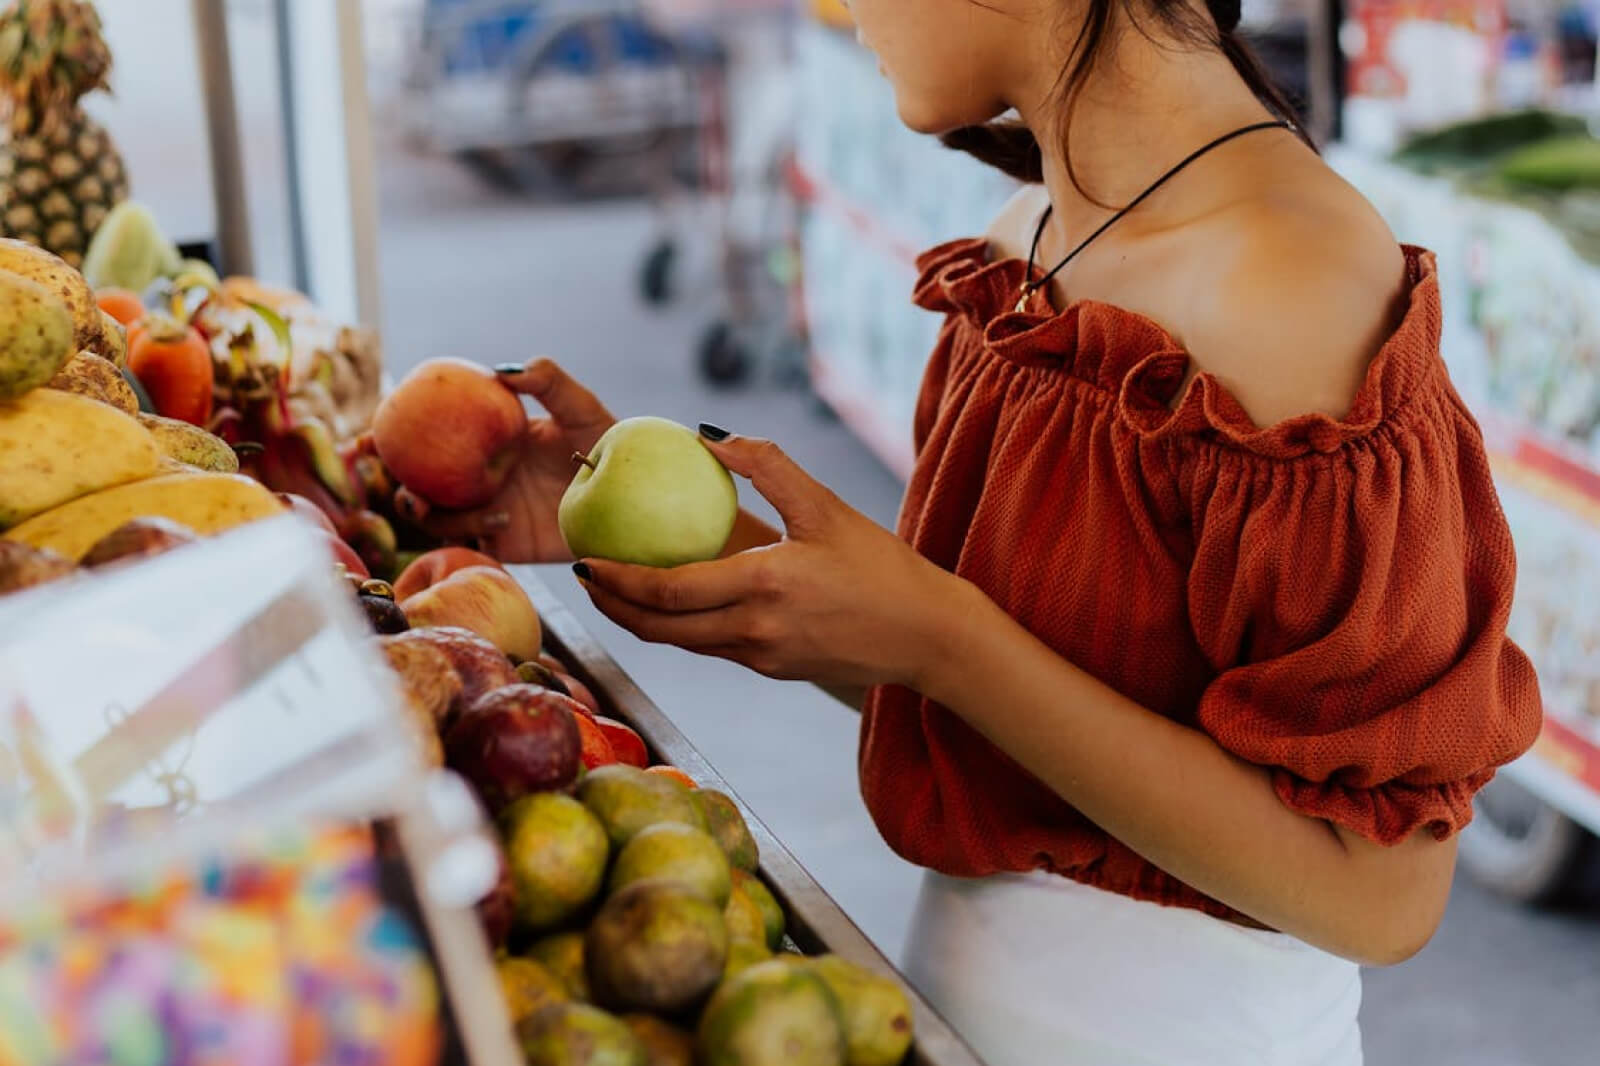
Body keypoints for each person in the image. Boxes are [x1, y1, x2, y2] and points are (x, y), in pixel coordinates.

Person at [418, 0, 1544, 1061]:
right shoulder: (1030, 236)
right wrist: (719, 556)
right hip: (960, 1007)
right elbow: (1008, 697)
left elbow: (1381, 893)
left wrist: (941, 639)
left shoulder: (1298, 288)